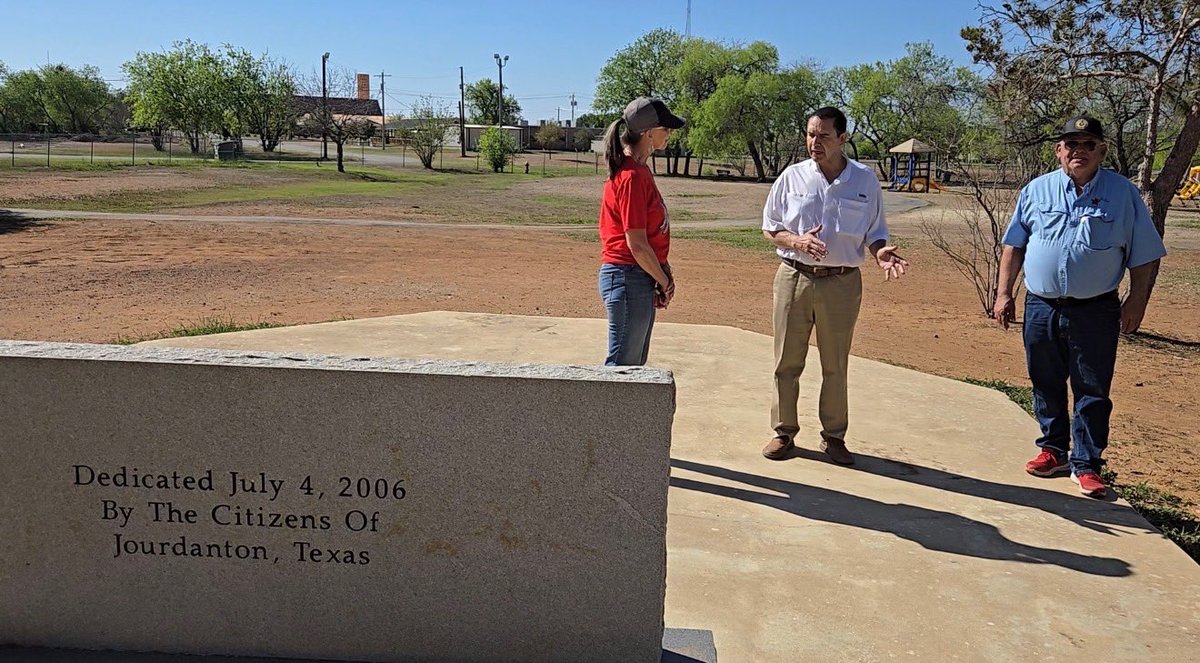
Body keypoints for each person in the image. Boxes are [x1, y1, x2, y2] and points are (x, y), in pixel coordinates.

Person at [996, 115, 1166, 498]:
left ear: (1101, 150)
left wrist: (1137, 301)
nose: (1079, 151)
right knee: (1045, 380)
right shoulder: (1037, 191)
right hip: (1041, 305)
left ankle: (1087, 463)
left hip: (1095, 309)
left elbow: (1144, 256)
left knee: (1092, 388)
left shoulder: (1123, 195)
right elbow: (1015, 245)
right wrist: (1004, 292)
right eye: (1071, 144)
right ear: (1059, 150)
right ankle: (1053, 450)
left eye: (1088, 144)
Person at [760, 106, 908, 465]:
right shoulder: (791, 178)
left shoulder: (864, 181)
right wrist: (795, 241)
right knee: (786, 361)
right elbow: (770, 226)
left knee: (835, 363)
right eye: (811, 134)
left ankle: (834, 436)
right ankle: (784, 433)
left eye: (824, 136)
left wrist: (881, 253)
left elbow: (875, 232)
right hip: (794, 276)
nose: (815, 142)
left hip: (842, 282)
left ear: (842, 138)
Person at [596, 97, 685, 366]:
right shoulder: (632, 176)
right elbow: (636, 243)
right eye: (665, 128)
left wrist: (660, 272)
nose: (669, 133)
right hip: (627, 275)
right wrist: (664, 281)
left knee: (632, 367)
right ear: (648, 133)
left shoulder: (639, 170)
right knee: (622, 369)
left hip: (637, 276)